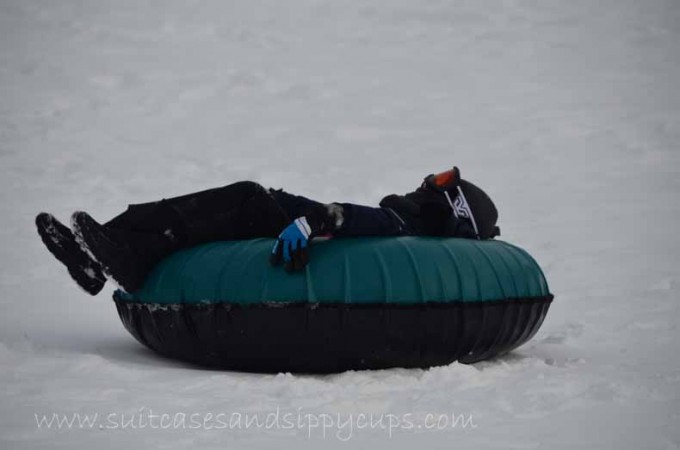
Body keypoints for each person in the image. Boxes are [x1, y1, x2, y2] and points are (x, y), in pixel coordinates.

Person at [35, 166, 499, 295]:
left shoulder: (404, 226)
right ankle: (93, 256)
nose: (417, 189)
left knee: (239, 197)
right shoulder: (406, 224)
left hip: (278, 219)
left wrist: (311, 219)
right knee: (223, 200)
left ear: (448, 211)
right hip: (284, 214)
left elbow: (348, 217)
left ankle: (125, 255)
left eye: (430, 190)